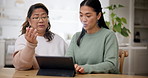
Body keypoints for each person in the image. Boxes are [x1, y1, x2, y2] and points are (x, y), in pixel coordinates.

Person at [65, 0, 119, 74]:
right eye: (81, 15)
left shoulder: (108, 35)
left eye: (88, 16)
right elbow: (67, 63)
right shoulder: (76, 36)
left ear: (98, 16)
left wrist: (85, 68)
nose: (83, 19)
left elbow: (111, 65)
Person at [13, 3, 68, 70]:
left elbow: (68, 61)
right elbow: (21, 66)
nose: (41, 20)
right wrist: (30, 45)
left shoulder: (59, 40)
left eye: (44, 17)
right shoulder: (22, 39)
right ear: (29, 21)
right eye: (36, 17)